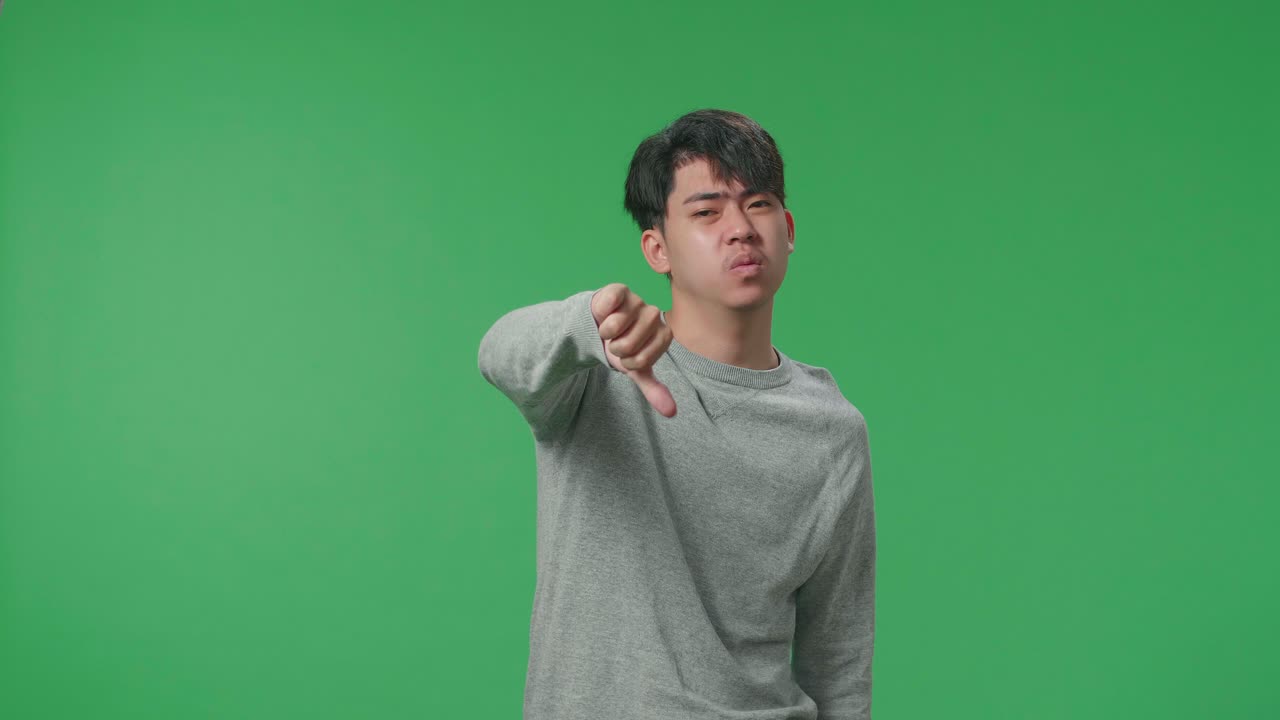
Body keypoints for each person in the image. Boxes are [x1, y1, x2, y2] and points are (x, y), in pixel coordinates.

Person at [477, 108, 876, 720]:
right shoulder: (596, 372)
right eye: (707, 212)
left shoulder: (834, 430)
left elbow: (838, 661)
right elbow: (498, 353)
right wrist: (589, 323)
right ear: (657, 248)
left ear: (788, 228)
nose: (740, 229)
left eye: (759, 204)